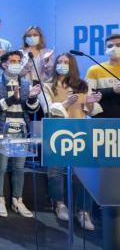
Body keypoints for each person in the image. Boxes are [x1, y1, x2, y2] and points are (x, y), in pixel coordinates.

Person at [42, 53, 102, 230]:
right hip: (56, 133)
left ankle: (83, 211)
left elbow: (91, 111)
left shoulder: (83, 86)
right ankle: (59, 204)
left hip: (80, 133)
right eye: (59, 62)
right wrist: (66, 103)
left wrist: (90, 103)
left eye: (66, 62)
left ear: (73, 65)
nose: (62, 65)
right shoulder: (47, 85)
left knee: (87, 173)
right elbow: (47, 109)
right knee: (56, 171)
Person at [0, 51, 41, 218]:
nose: (16, 63)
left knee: (19, 167)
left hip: (21, 131)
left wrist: (31, 98)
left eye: (18, 60)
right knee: (0, 166)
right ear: (4, 64)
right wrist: (12, 98)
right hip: (3, 131)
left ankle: (17, 200)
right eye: (13, 61)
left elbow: (33, 109)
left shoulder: (25, 84)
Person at [86, 34, 120, 119]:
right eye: (110, 46)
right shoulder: (94, 70)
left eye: (118, 45)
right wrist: (112, 90)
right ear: (105, 50)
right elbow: (88, 95)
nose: (114, 48)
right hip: (102, 121)